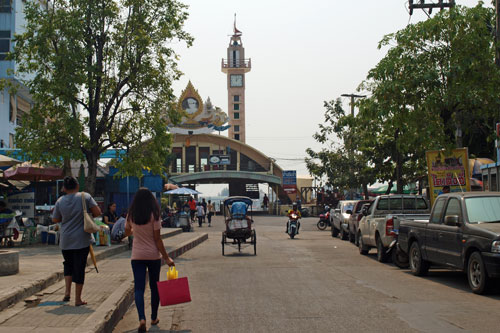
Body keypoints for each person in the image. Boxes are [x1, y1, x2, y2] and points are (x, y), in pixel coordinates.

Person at [124, 187, 174, 332]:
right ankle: (153, 317)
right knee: (154, 287)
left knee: (139, 288)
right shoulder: (155, 215)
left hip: (137, 256)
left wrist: (134, 231)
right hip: (153, 256)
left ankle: (141, 319)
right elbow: (158, 239)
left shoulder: (131, 214)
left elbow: (127, 231)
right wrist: (167, 257)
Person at [52, 176, 101, 306]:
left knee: (68, 265)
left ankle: (67, 292)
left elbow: (55, 219)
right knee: (79, 268)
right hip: (82, 239)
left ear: (64, 188)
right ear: (77, 186)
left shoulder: (60, 201)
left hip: (66, 239)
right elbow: (97, 212)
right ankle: (77, 299)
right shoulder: (85, 197)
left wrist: (67, 216)